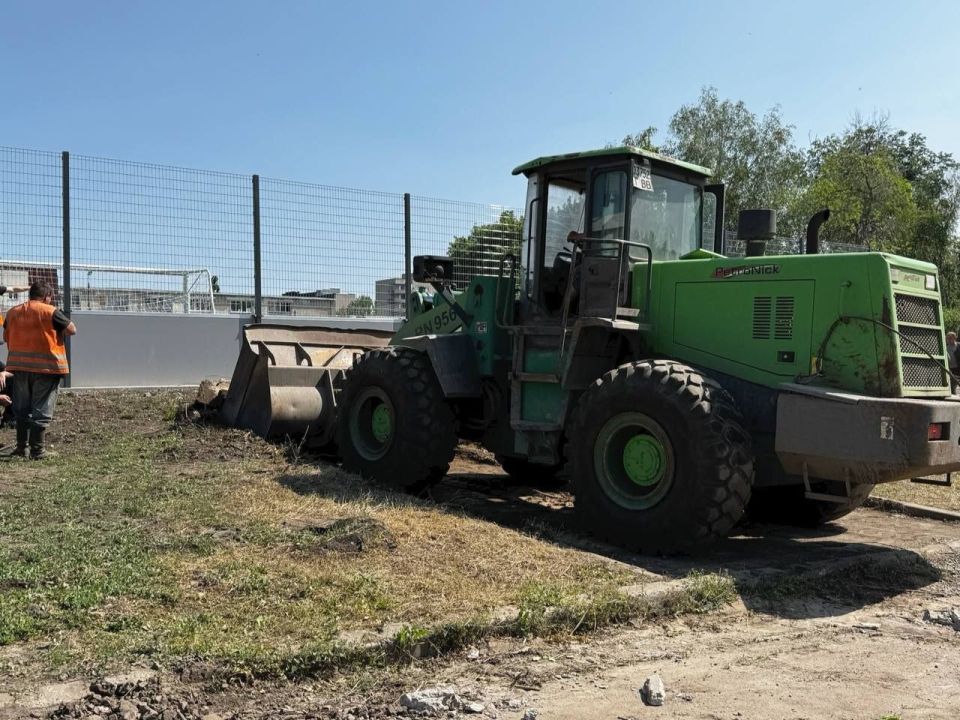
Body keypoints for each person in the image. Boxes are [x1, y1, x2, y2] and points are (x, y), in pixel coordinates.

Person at [2, 283, 76, 459]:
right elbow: (72, 330)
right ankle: (38, 450)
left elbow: (6, 336)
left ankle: (21, 448)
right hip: (46, 368)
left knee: (22, 409)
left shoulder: (12, 312)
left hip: (19, 367)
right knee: (41, 409)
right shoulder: (50, 311)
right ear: (47, 296)